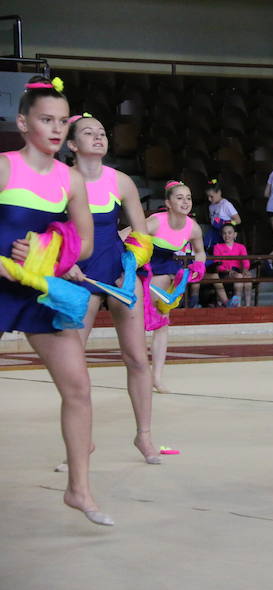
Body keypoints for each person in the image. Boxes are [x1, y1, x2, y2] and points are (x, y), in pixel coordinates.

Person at [0, 76, 112, 525]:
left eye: (63, 121)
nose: (56, 129)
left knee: (79, 387)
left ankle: (79, 489)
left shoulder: (70, 178)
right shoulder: (4, 166)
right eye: (46, 120)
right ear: (23, 121)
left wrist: (47, 253)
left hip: (40, 286)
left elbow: (83, 243)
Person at [63, 112, 161, 465]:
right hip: (79, 276)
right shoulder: (62, 181)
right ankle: (82, 442)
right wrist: (64, 264)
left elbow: (142, 233)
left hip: (120, 274)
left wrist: (131, 265)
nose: (99, 137)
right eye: (89, 133)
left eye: (102, 132)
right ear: (72, 144)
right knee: (74, 365)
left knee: (137, 357)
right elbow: (50, 231)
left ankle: (144, 436)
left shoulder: (121, 182)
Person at [145, 182, 206, 393]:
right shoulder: (154, 222)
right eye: (179, 197)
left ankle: (157, 377)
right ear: (168, 203)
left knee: (162, 325)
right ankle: (143, 374)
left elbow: (199, 252)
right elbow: (127, 236)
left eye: (188, 197)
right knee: (139, 325)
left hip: (168, 276)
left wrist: (198, 265)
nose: (185, 202)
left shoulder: (193, 227)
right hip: (143, 271)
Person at [188, 178, 242, 306]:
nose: (209, 199)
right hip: (213, 233)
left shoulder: (226, 204)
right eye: (208, 197)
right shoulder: (212, 206)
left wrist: (227, 224)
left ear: (219, 193)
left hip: (223, 234)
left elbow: (238, 220)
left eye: (212, 196)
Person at [211, 223, 252, 307]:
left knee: (247, 278)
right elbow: (217, 264)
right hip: (225, 273)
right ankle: (238, 305)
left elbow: (245, 261)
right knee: (239, 278)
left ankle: (248, 305)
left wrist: (245, 269)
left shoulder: (241, 247)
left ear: (235, 234)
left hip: (239, 272)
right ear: (221, 235)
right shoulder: (217, 247)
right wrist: (229, 272)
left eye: (229, 233)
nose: (227, 235)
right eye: (224, 233)